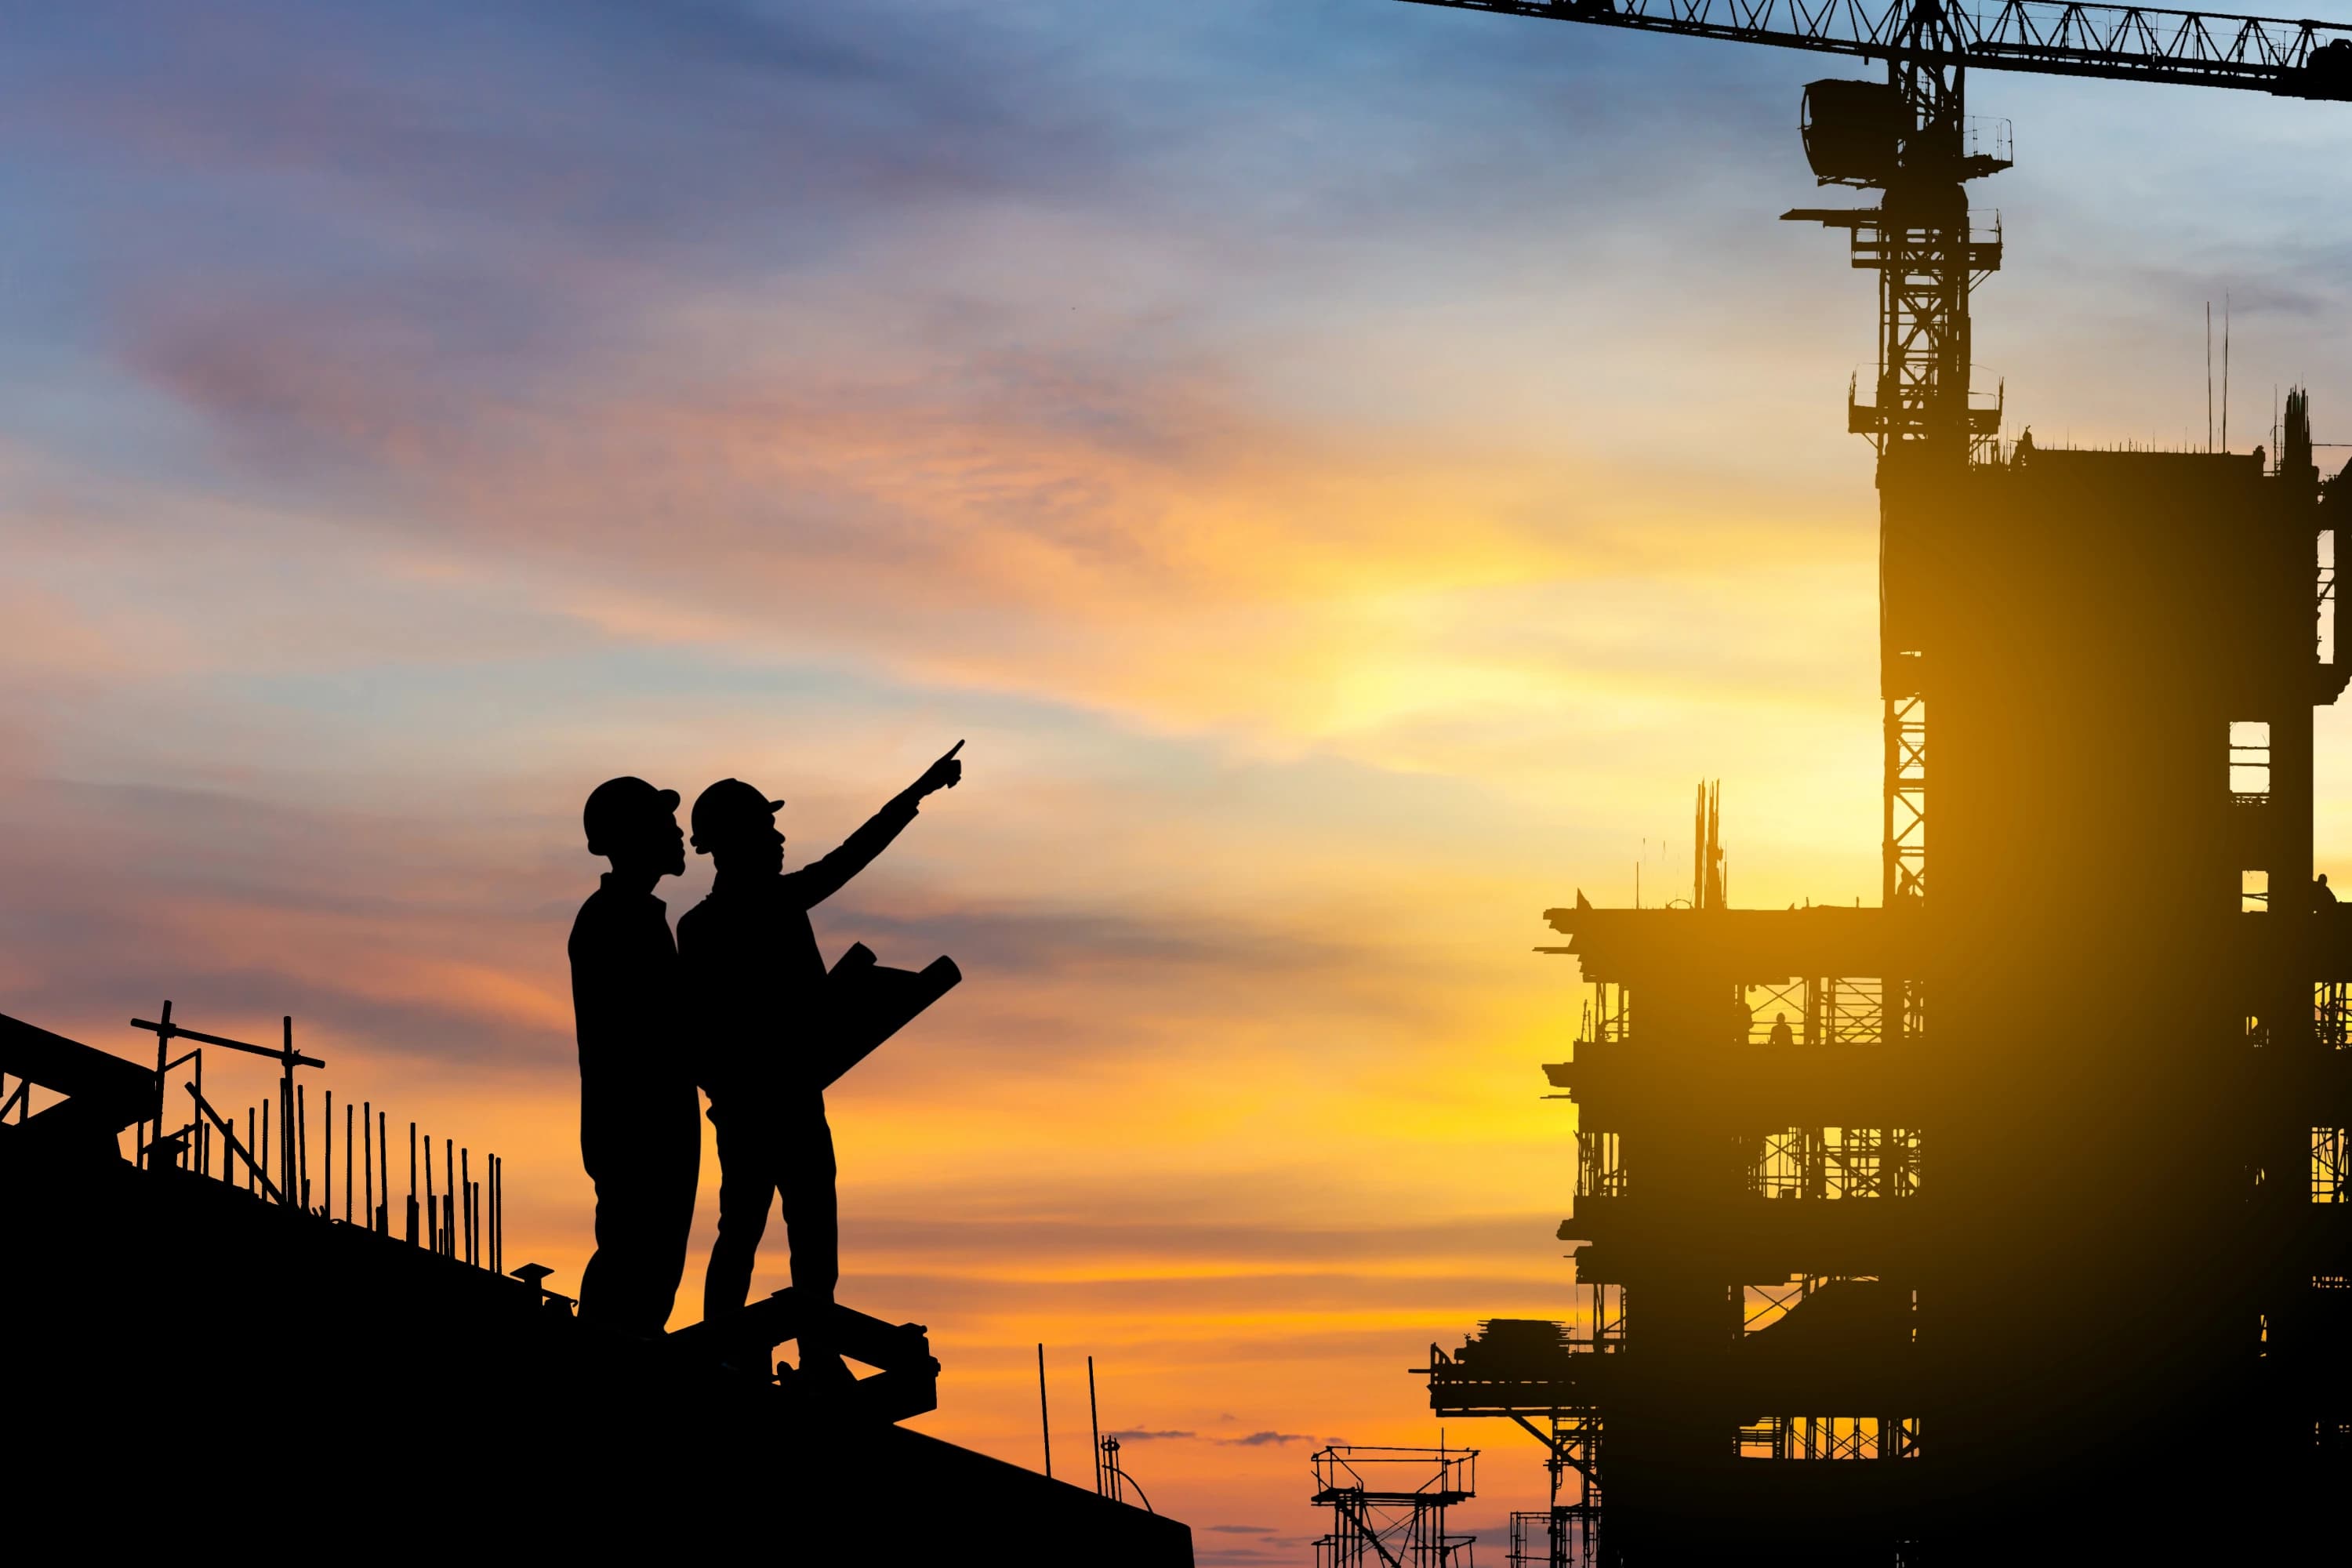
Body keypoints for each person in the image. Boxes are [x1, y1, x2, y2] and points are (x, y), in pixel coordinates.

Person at [680, 742, 966, 1380]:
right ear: (735, 842)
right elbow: (693, 1030)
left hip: (781, 1100)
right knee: (756, 1230)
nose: (779, 838)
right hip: (761, 1106)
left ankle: (805, 1352)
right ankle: (733, 1354)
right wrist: (916, 794)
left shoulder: (725, 918)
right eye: (767, 828)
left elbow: (852, 855)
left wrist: (915, 793)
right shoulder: (721, 922)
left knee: (798, 1229)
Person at [568, 775, 699, 1336]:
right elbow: (649, 1026)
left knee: (650, 1268)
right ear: (635, 835)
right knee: (634, 1262)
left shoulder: (636, 915)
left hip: (650, 1117)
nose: (677, 831)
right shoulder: (614, 919)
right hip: (639, 1122)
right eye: (664, 822)